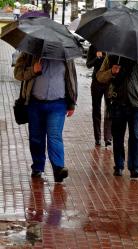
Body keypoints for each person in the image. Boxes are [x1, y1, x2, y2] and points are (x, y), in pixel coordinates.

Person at [14, 52, 78, 183]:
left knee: (54, 135)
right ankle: (37, 166)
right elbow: (18, 73)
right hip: (35, 103)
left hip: (58, 104)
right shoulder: (31, 51)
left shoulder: (65, 53)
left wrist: (71, 102)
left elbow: (72, 78)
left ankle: (58, 168)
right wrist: (33, 70)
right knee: (36, 138)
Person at [96, 55, 138, 179]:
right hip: (117, 102)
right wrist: (111, 72)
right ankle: (118, 165)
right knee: (118, 136)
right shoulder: (112, 56)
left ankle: (135, 168)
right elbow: (100, 77)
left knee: (135, 135)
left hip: (136, 104)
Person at [86, 45, 112, 147]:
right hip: (96, 83)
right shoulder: (94, 47)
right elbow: (88, 64)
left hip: (109, 83)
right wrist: (97, 58)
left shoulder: (112, 47)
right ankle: (97, 137)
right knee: (96, 110)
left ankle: (108, 137)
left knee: (109, 109)